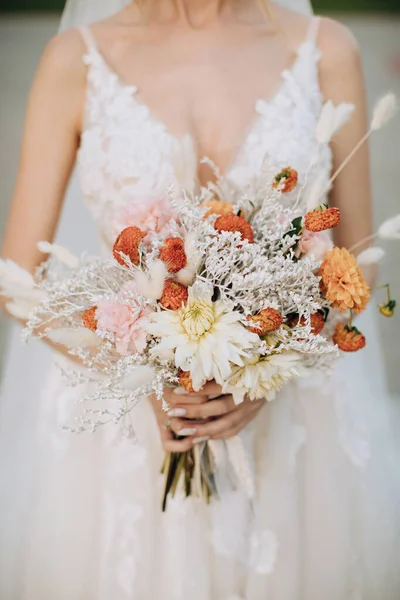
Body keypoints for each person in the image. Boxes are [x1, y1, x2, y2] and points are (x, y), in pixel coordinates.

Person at [1, 0, 399, 598]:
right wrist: (139, 375)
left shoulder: (326, 48)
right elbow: (15, 280)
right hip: (126, 443)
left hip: (294, 433)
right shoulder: (75, 60)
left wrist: (268, 369)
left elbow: (354, 263)